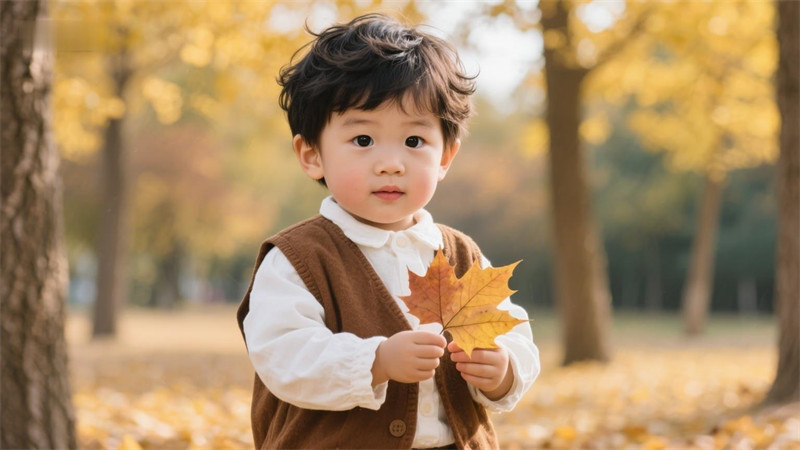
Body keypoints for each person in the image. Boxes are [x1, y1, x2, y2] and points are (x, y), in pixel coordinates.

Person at [236, 13, 540, 450]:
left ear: (445, 157)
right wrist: (375, 360)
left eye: (414, 142)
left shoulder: (460, 255)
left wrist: (504, 370)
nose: (391, 163)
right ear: (311, 154)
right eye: (363, 140)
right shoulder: (299, 258)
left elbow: (512, 332)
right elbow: (284, 356)